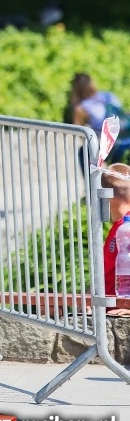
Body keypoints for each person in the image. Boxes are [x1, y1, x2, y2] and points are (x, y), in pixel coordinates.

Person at [70, 73, 130, 164]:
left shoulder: (82, 107)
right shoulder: (108, 95)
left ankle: (92, 178)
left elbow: (78, 131)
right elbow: (122, 114)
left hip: (111, 145)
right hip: (126, 137)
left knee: (83, 152)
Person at [101, 163, 130, 317]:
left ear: (106, 196)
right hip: (107, 314)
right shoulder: (119, 226)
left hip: (118, 317)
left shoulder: (127, 227)